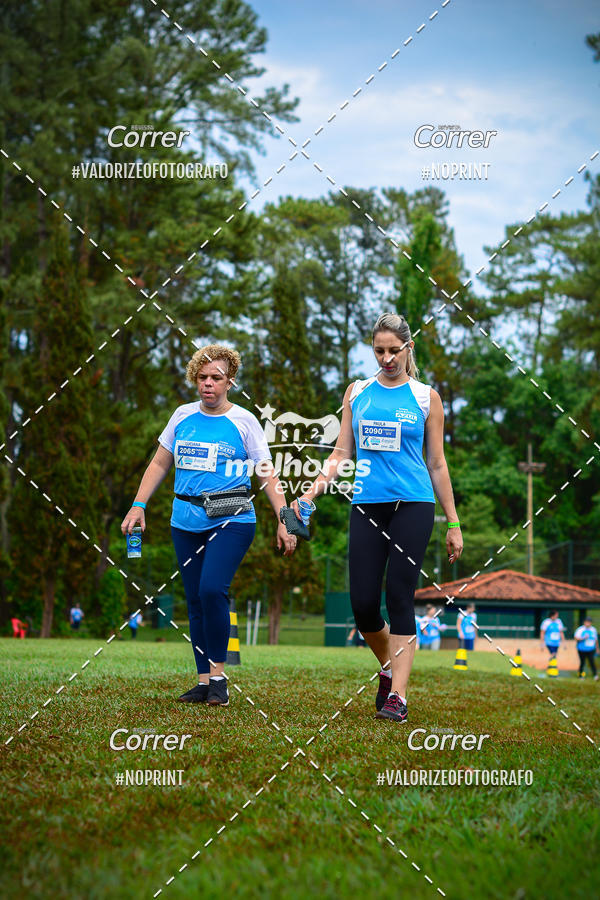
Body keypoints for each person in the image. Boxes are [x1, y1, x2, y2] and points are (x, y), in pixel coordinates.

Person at [292, 313, 463, 723]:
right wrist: (308, 494)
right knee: (364, 605)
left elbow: (437, 464)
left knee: (400, 596)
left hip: (414, 505)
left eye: (394, 350)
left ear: (409, 348)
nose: (386, 358)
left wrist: (453, 522)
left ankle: (398, 697)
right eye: (379, 350)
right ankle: (388, 667)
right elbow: (340, 454)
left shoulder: (426, 398)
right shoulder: (359, 392)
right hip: (367, 505)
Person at [121, 345, 295, 707]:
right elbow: (159, 463)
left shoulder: (244, 421)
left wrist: (284, 518)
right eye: (202, 377)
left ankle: (220, 678)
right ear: (194, 379)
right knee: (196, 600)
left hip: (231, 516)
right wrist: (139, 505)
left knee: (213, 589)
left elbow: (266, 474)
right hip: (184, 520)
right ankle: (204, 681)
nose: (208, 384)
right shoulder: (182, 416)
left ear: (230, 381)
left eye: (216, 378)